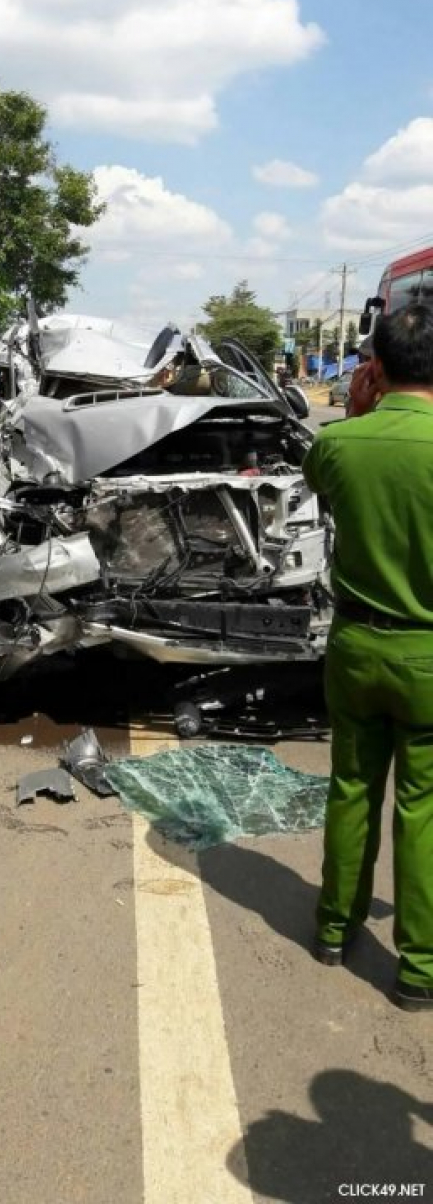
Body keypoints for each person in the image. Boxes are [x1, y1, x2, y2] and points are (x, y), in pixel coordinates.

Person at [303, 302, 433, 1011]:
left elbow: (317, 478)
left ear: (375, 367)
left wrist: (358, 409)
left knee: (351, 786)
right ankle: (418, 967)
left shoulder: (343, 443)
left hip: (356, 647)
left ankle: (332, 927)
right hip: (429, 657)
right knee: (424, 806)